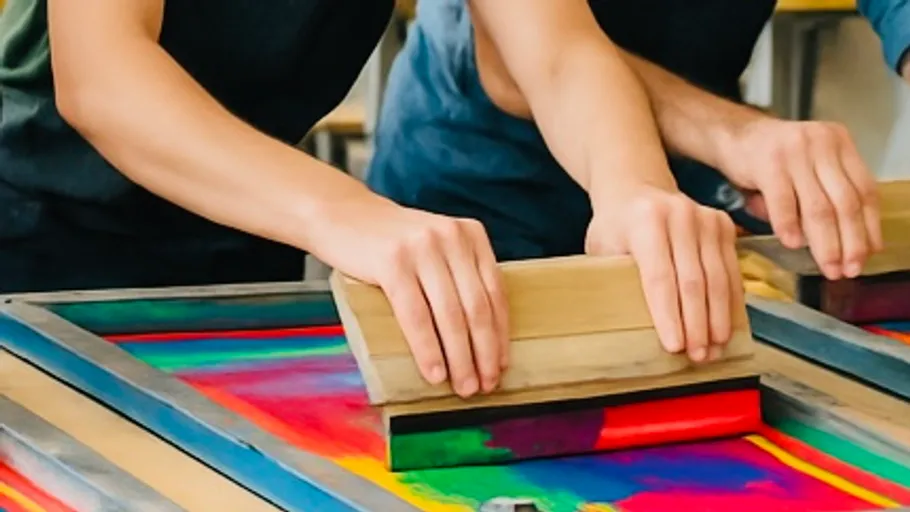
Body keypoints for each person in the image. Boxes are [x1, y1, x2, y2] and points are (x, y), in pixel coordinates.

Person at [0, 0, 518, 398]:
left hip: (243, 245)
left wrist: (605, 191)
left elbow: (556, 56)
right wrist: (343, 211)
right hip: (41, 235)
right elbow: (101, 78)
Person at [366, 0, 900, 370]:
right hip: (481, 180)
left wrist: (660, 177)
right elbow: (531, 55)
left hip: (673, 185)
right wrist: (726, 135)